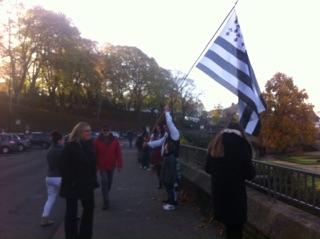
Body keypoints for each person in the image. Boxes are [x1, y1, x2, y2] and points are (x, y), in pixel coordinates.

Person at [205, 122, 256, 239]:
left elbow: (207, 168)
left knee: (228, 227)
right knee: (236, 231)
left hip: (219, 194)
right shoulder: (242, 144)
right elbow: (250, 174)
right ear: (240, 131)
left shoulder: (216, 143)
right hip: (235, 197)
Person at [60, 122, 99, 239]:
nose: (89, 133)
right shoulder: (70, 146)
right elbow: (62, 166)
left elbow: (92, 165)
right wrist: (72, 180)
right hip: (72, 184)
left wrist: (93, 179)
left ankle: (86, 235)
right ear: (79, 132)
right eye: (86, 131)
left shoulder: (90, 145)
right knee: (71, 213)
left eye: (90, 130)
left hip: (87, 183)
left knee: (89, 209)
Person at [147, 105, 180, 208]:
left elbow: (170, 123)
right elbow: (159, 142)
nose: (165, 127)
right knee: (166, 181)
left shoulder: (175, 133)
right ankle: (170, 199)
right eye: (165, 126)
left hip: (172, 160)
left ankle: (173, 202)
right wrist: (148, 144)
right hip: (166, 160)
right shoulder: (166, 135)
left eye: (167, 126)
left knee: (171, 182)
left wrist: (166, 112)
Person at [94, 125, 123, 210]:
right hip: (101, 166)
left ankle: (105, 192)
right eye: (104, 130)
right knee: (105, 181)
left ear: (110, 131)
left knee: (109, 182)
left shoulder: (115, 140)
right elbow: (94, 154)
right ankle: (105, 200)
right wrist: (95, 166)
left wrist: (119, 165)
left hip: (112, 165)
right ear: (102, 131)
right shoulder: (97, 141)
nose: (106, 131)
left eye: (107, 130)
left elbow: (118, 153)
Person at [40, 131, 64, 227]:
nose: (63, 141)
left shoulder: (49, 149)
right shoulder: (62, 150)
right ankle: (72, 216)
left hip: (49, 177)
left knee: (50, 198)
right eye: (62, 139)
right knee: (71, 196)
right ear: (59, 140)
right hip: (59, 177)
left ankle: (44, 219)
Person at [160, 140, 178, 211]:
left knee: (170, 191)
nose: (164, 147)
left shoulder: (171, 157)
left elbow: (172, 171)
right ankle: (170, 202)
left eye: (166, 146)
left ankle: (171, 204)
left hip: (169, 179)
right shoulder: (168, 156)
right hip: (167, 178)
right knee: (169, 191)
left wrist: (172, 180)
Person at [149, 124, 165, 189]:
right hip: (156, 153)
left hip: (161, 153)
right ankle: (160, 183)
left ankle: (162, 182)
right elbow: (151, 144)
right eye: (156, 128)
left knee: (162, 169)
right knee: (158, 170)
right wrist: (151, 140)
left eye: (158, 127)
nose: (157, 129)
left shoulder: (163, 135)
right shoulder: (154, 135)